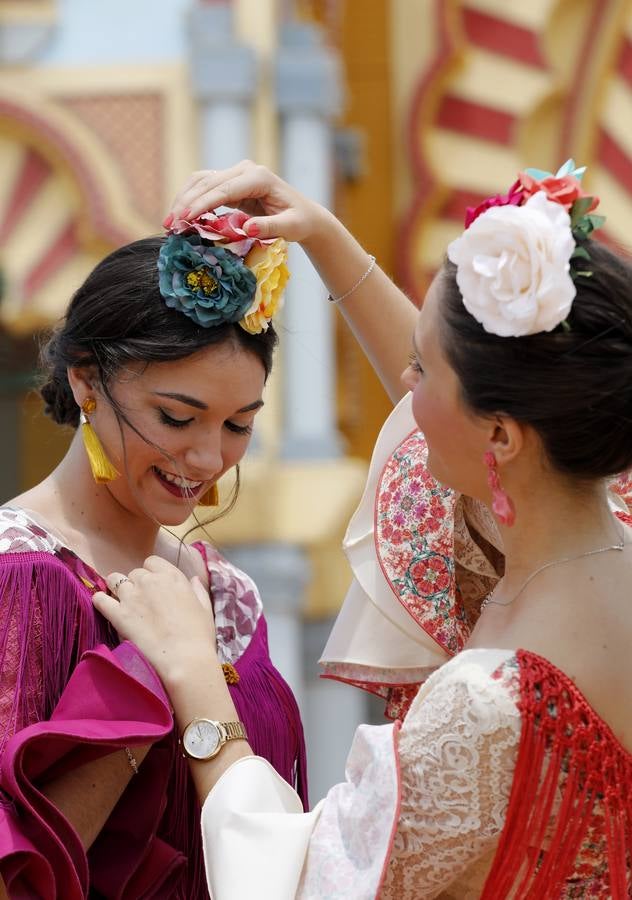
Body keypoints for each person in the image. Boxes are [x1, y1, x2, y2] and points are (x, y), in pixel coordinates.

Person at [94, 160, 632, 898]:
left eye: (423, 370)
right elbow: (480, 402)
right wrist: (321, 234)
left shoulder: (484, 708)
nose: (404, 390)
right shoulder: (597, 521)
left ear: (501, 437)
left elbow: (306, 879)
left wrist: (197, 681)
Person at [0, 213, 306, 899]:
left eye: (238, 426)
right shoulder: (18, 574)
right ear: (85, 381)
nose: (206, 458)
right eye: (176, 417)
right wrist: (149, 676)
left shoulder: (228, 591)